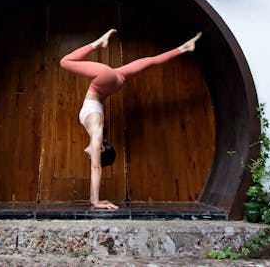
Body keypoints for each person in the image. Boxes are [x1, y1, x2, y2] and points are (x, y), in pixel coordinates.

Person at [59, 29, 202, 210]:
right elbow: (96, 169)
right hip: (105, 80)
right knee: (65, 62)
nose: (90, 156)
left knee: (150, 62)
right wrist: (95, 201)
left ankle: (184, 48)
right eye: (95, 155)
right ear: (101, 148)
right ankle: (99, 42)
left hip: (112, 84)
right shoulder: (96, 134)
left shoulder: (96, 130)